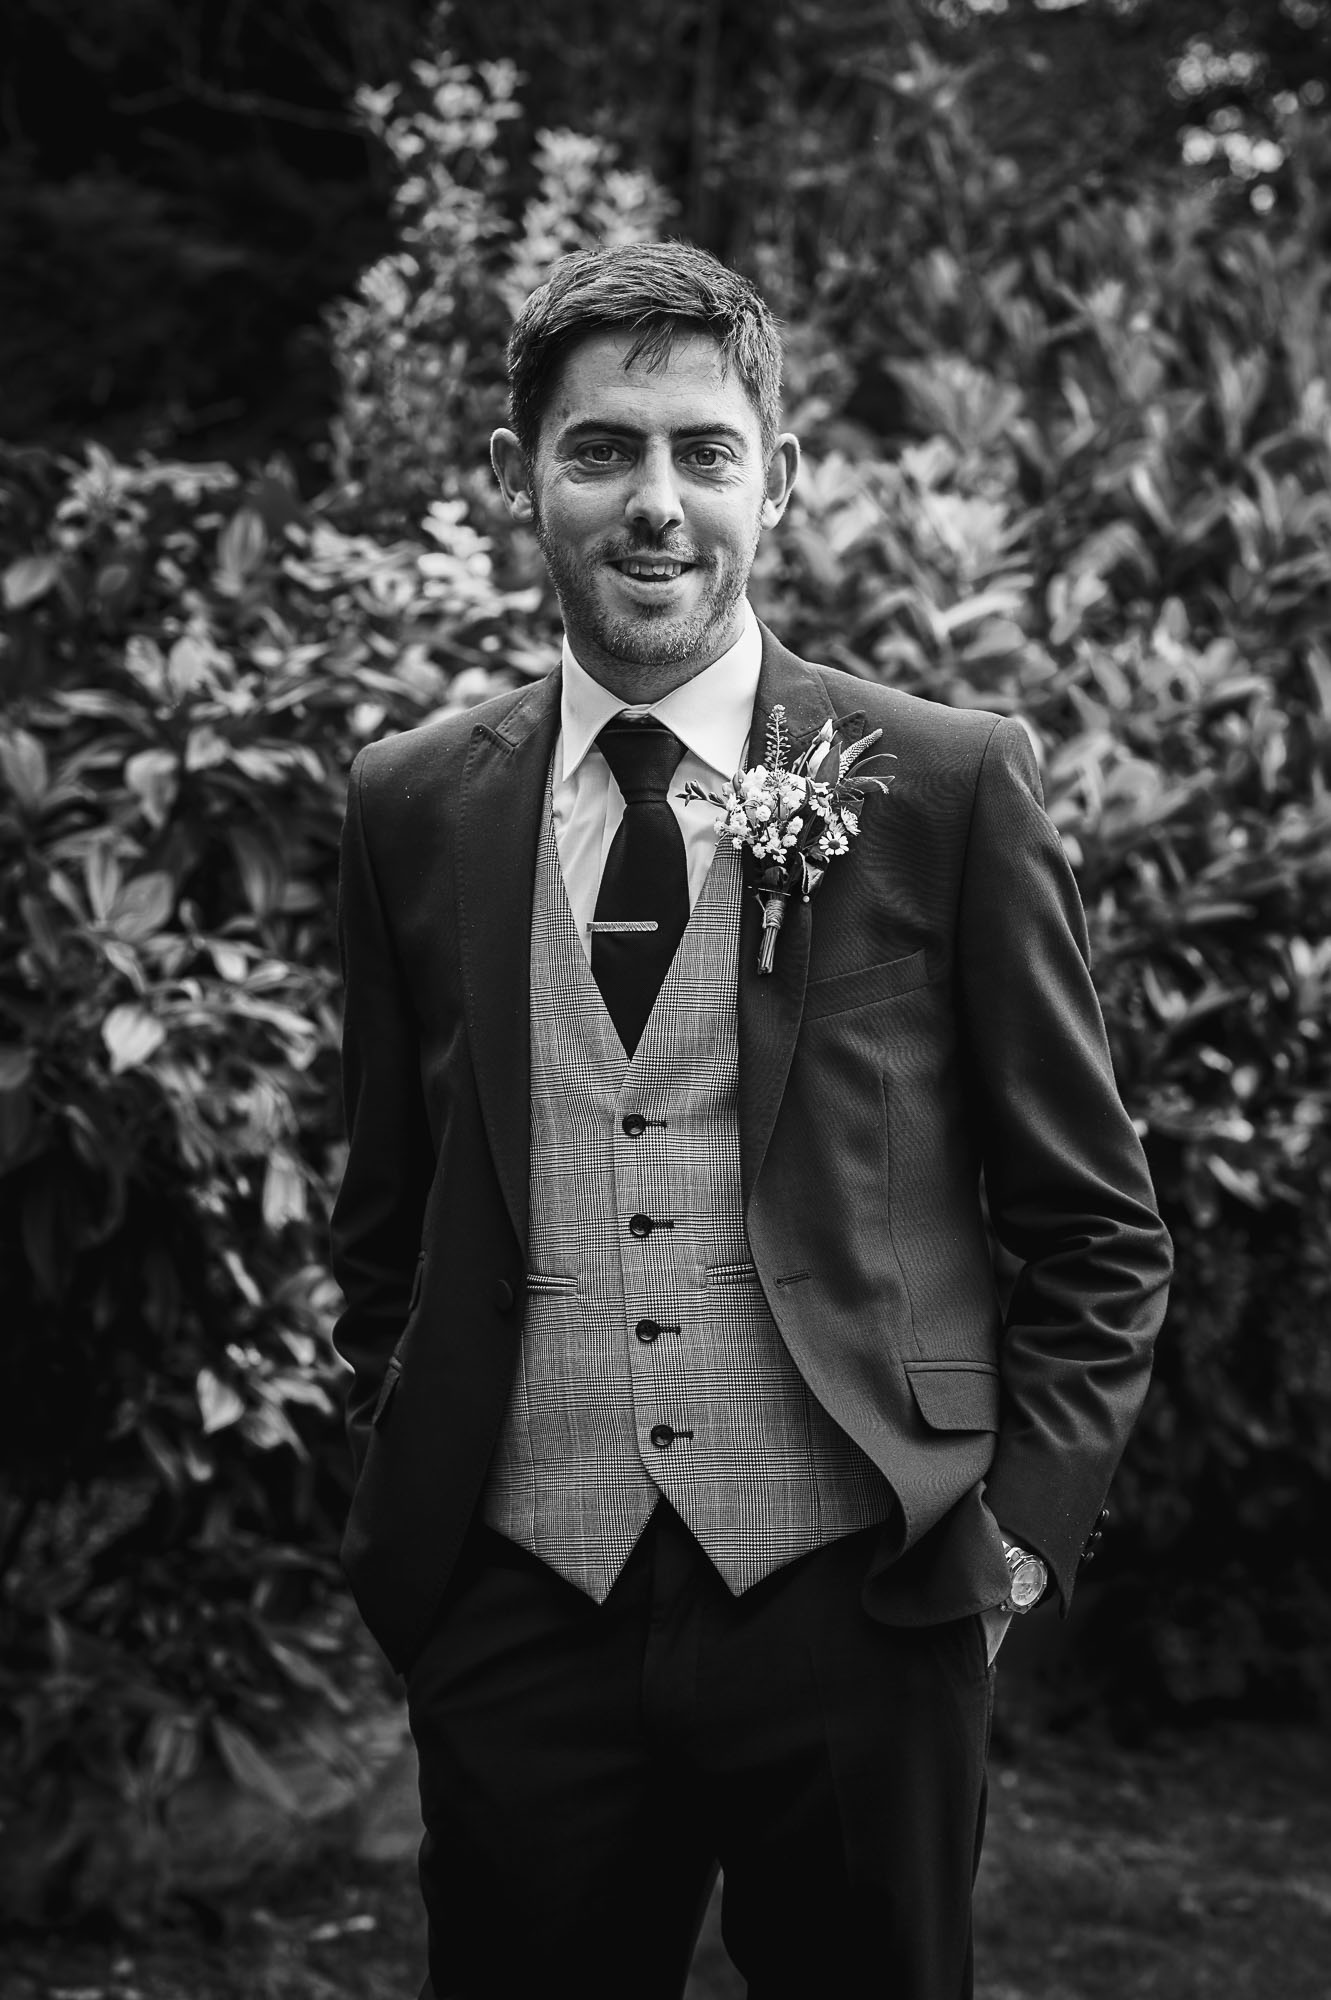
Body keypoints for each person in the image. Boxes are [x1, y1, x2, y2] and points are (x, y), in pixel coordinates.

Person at [330, 240, 1172, 2000]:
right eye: (601, 450)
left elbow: (1096, 1226)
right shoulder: (411, 803)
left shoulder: (944, 783)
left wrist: (1009, 1538)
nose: (657, 505)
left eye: (703, 452)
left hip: (862, 1600)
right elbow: (385, 1225)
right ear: (515, 479)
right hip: (519, 1607)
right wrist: (410, 1513)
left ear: (775, 480)